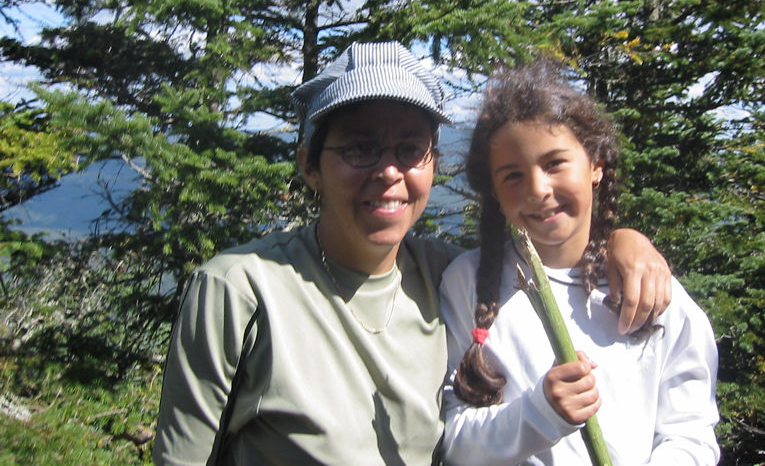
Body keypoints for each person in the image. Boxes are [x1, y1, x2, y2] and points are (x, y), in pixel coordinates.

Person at [153, 42, 673, 465]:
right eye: (359, 148)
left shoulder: (449, 277)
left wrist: (623, 241)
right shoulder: (239, 290)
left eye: (410, 149)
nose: (388, 171)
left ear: (433, 164)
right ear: (310, 166)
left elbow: (548, 253)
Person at [439, 59, 720, 465]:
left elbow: (690, 435)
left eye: (555, 163)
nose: (538, 189)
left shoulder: (651, 287)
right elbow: (455, 442)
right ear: (495, 192)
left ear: (596, 165)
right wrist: (541, 412)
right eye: (512, 176)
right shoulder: (466, 283)